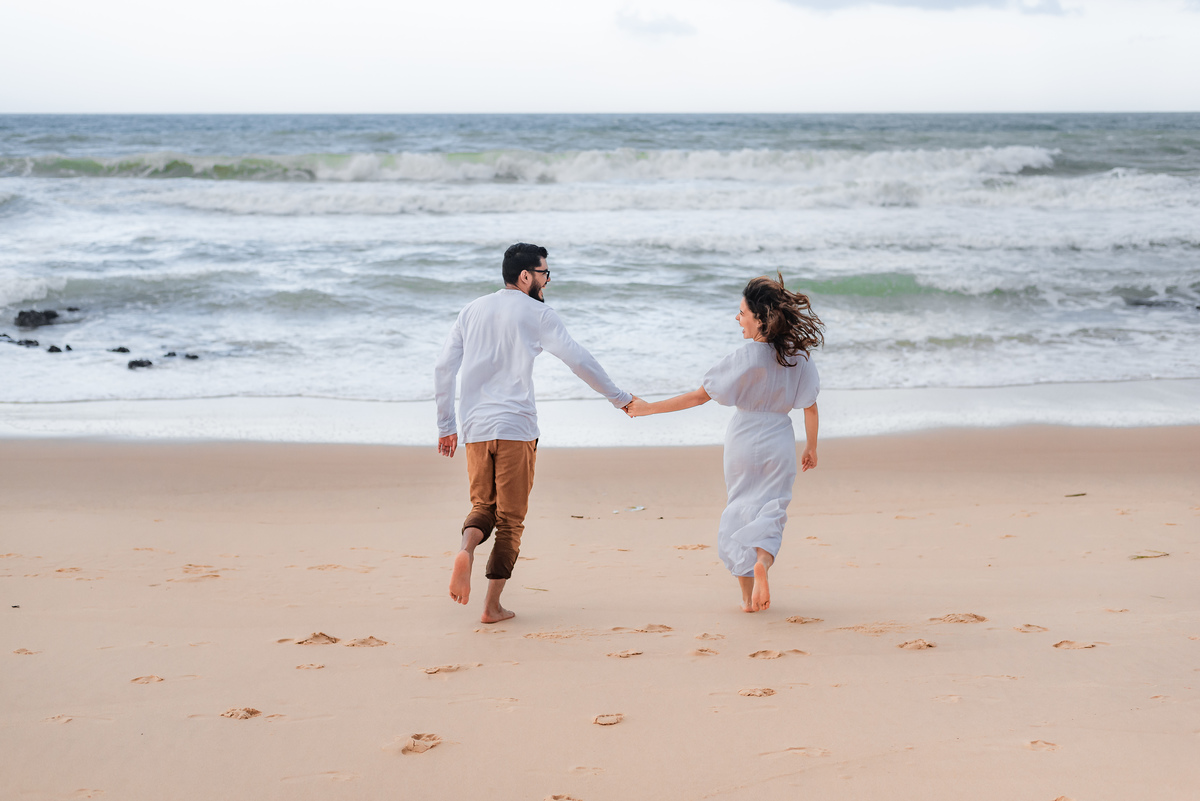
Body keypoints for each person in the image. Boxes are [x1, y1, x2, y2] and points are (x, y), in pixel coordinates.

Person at [434, 243, 635, 624]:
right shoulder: (538, 313)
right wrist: (619, 398)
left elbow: (444, 368)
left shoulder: (471, 310)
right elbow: (578, 359)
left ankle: (467, 549)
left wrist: (447, 426)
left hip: (475, 429)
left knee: (482, 507)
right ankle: (492, 607)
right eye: (544, 273)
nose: (547, 281)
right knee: (510, 520)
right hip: (516, 427)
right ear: (525, 276)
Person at [625, 273, 823, 613]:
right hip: (779, 440)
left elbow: (698, 397)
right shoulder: (798, 357)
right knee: (771, 510)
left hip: (743, 441)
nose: (738, 318)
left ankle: (747, 600)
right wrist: (811, 448)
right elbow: (810, 407)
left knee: (740, 509)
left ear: (760, 318)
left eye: (742, 312)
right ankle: (763, 560)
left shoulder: (744, 357)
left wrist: (646, 409)